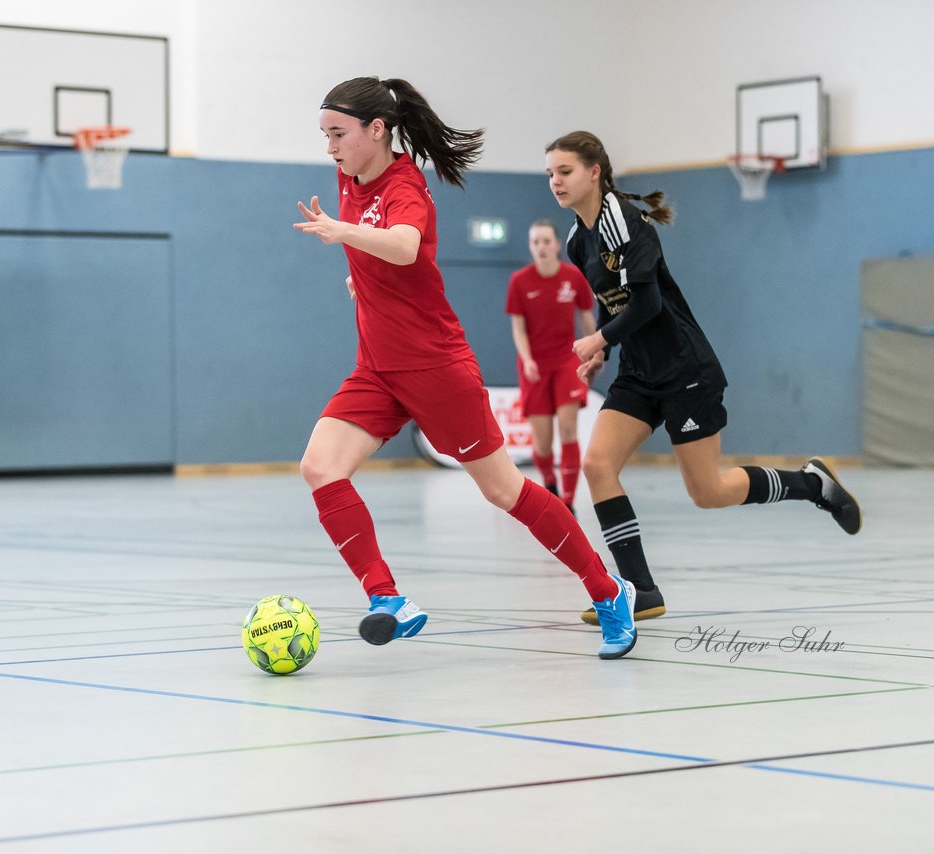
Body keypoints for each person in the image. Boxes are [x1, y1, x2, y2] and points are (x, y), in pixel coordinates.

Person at [293, 78, 636, 659]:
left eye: (338, 134)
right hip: (377, 366)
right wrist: (362, 277)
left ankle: (608, 592)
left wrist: (342, 233)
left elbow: (403, 245)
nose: (330, 147)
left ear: (377, 130)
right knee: (320, 467)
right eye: (324, 136)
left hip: (435, 366)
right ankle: (388, 600)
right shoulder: (348, 178)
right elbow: (386, 261)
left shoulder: (407, 186)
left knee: (504, 491)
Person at [543, 131, 861, 626]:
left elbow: (648, 303)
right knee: (599, 465)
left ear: (593, 172)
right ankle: (640, 590)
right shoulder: (576, 240)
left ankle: (810, 484)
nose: (555, 181)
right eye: (550, 174)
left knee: (708, 491)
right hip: (639, 373)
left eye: (564, 171)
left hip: (684, 368)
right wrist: (606, 350)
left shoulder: (626, 222)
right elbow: (623, 307)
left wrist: (601, 339)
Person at [505, 220, 596, 513]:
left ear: (557, 245)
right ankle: (550, 485)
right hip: (534, 365)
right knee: (542, 444)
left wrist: (595, 351)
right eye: (535, 242)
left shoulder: (573, 277)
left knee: (568, 429)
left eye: (546, 241)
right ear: (531, 247)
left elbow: (587, 318)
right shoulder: (520, 281)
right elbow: (518, 329)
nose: (541, 247)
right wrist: (528, 359)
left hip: (567, 360)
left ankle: (568, 502)